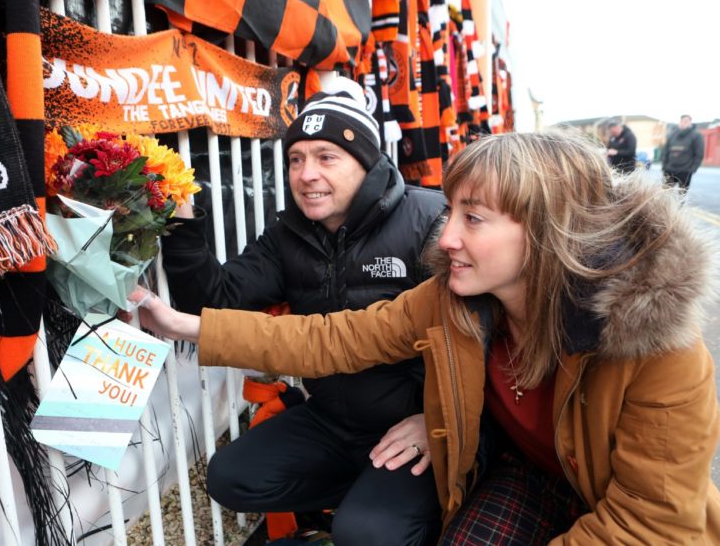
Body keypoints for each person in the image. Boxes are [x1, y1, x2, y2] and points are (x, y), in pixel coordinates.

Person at [132, 130, 720, 543]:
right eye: (451, 213)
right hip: (525, 474)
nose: (445, 241)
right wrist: (186, 325)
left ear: (546, 231)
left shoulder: (658, 348)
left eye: (474, 217)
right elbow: (330, 340)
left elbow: (650, 526)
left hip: (625, 513)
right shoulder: (452, 299)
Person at [159, 77, 445, 545]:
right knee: (231, 477)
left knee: (366, 533)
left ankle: (404, 515)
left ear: (367, 162)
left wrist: (436, 423)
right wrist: (181, 218)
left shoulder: (428, 222)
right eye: (296, 159)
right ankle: (367, 496)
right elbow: (216, 299)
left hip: (415, 425)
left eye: (326, 157)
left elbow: (476, 344)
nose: (306, 174)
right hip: (333, 421)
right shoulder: (290, 233)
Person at [663, 114, 705, 190]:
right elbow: (666, 151)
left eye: (686, 121)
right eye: (682, 121)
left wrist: (692, 169)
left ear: (690, 123)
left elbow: (699, 154)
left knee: (681, 195)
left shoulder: (696, 136)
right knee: (665, 194)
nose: (683, 123)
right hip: (670, 170)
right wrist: (664, 167)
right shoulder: (672, 135)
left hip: (685, 171)